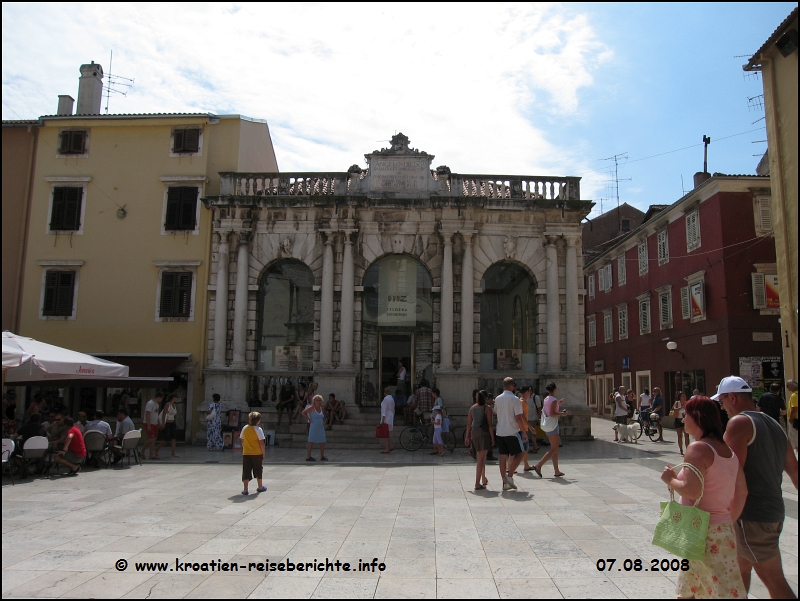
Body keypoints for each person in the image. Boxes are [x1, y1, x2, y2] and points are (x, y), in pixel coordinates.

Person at [715, 376, 799, 599]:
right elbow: (796, 471)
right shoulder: (774, 425)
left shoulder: (739, 423)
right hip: (773, 512)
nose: (722, 407)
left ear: (732, 397)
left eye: (722, 401)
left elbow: (730, 474)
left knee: (774, 580)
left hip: (751, 517)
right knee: (739, 571)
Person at [660, 396, 748, 599]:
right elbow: (742, 492)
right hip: (721, 529)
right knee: (692, 589)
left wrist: (670, 480)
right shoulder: (728, 452)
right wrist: (727, 520)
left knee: (722, 592)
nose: (682, 420)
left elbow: (692, 491)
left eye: (686, 415)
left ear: (697, 417)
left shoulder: (698, 448)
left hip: (701, 533)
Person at [493, 377, 527, 490]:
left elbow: (496, 412)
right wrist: (523, 431)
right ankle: (509, 476)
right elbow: (518, 418)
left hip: (500, 431)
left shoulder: (497, 399)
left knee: (503, 456)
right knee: (521, 453)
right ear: (513, 386)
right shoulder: (515, 399)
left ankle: (504, 481)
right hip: (512, 431)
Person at [532, 382, 567, 478]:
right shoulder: (553, 400)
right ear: (554, 389)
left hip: (548, 425)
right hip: (553, 426)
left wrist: (558, 404)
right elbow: (552, 413)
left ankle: (556, 470)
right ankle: (538, 465)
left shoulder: (547, 399)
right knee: (554, 449)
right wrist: (562, 414)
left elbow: (548, 410)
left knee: (555, 448)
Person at [465, 390, 494, 490]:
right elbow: (490, 424)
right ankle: (477, 483)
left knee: (481, 457)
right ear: (485, 398)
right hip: (483, 434)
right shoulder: (487, 408)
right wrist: (492, 437)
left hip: (474, 433)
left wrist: (467, 436)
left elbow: (469, 423)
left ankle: (483, 478)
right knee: (481, 459)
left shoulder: (472, 408)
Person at [240, 412, 267, 495]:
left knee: (246, 470)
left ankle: (245, 489)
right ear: (258, 421)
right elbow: (261, 443)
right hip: (256, 453)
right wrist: (263, 453)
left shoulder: (245, 428)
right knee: (258, 469)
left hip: (246, 453)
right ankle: (260, 486)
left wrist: (245, 447)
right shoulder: (258, 430)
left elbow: (242, 439)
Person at [302, 394, 328, 462]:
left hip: (320, 427)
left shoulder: (322, 409)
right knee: (311, 441)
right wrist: (309, 419)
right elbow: (303, 412)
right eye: (317, 400)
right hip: (314, 426)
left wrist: (324, 421)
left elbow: (325, 415)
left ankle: (322, 456)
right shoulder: (311, 408)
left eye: (319, 400)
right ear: (314, 401)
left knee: (322, 442)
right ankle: (308, 456)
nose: (318, 401)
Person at [518, 386, 539, 470]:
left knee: (525, 448)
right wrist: (531, 427)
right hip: (522, 427)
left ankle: (526, 464)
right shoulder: (522, 402)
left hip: (523, 427)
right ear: (527, 392)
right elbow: (522, 416)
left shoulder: (522, 401)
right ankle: (511, 466)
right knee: (521, 448)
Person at [157, 393, 180, 458]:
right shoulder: (168, 404)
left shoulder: (174, 405)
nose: (177, 398)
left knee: (173, 438)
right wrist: (163, 423)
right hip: (167, 423)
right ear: (173, 398)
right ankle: (156, 449)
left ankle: (173, 453)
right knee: (166, 439)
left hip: (172, 423)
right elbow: (164, 414)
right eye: (176, 397)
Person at [379, 387, 395, 454]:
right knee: (387, 433)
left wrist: (382, 419)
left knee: (386, 434)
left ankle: (387, 448)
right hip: (391, 416)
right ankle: (390, 446)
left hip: (387, 417)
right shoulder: (391, 398)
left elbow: (384, 410)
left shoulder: (386, 399)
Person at [787, 380, 798, 453]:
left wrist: (791, 419)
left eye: (788, 386)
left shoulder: (795, 395)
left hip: (796, 421)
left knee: (795, 440)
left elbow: (795, 408)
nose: (787, 388)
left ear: (792, 386)